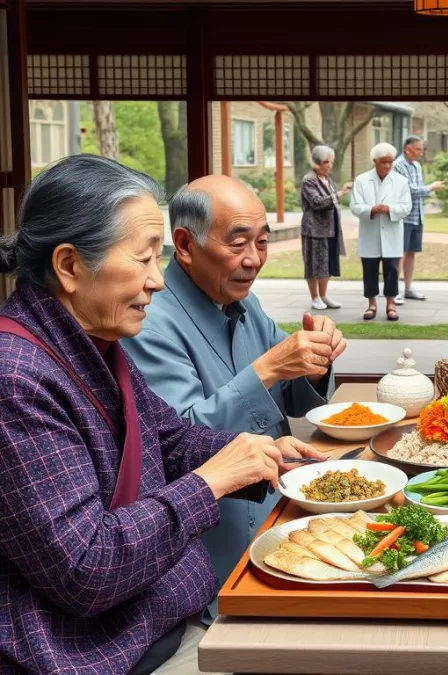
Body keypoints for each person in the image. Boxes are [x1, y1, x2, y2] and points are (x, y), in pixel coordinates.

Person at [0, 155, 320, 674]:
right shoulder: (17, 378)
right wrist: (211, 481)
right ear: (69, 266)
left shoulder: (93, 342)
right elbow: (85, 568)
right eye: (144, 259)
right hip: (99, 654)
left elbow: (167, 437)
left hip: (160, 623)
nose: (157, 281)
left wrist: (254, 453)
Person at [122, 174, 341, 621]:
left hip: (284, 498)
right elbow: (176, 442)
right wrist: (269, 368)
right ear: (183, 244)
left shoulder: (242, 302)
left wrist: (316, 359)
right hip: (217, 541)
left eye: (262, 242)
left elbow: (298, 399)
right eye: (238, 243)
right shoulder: (150, 321)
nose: (254, 260)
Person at [349, 142, 412, 322]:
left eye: (390, 162)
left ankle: (391, 304)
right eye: (383, 162)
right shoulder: (361, 180)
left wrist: (390, 209)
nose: (387, 166)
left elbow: (406, 206)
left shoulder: (401, 182)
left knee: (392, 269)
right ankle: (372, 304)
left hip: (392, 232)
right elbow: (355, 206)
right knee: (369, 270)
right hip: (370, 233)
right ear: (375, 161)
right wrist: (371, 209)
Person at [392, 135, 445, 305]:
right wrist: (431, 187)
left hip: (417, 216)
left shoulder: (416, 166)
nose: (421, 153)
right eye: (418, 149)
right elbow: (410, 190)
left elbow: (418, 191)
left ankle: (408, 288)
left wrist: (428, 191)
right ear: (407, 149)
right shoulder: (398, 165)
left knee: (411, 253)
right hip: (404, 217)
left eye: (422, 149)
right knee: (399, 253)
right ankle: (393, 291)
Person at [301, 144, 353, 310]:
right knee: (313, 264)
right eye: (326, 162)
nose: (330, 165)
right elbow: (317, 202)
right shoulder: (309, 179)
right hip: (314, 230)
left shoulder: (326, 179)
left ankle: (323, 295)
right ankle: (315, 297)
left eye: (331, 162)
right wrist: (340, 193)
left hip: (330, 228)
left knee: (327, 263)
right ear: (316, 163)